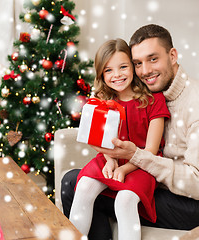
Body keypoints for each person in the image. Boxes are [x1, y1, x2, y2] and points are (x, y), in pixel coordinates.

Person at [61, 24, 199, 240]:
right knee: (78, 181)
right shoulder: (155, 92)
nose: (145, 71)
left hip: (193, 204)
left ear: (172, 55)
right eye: (138, 63)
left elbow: (197, 186)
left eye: (153, 59)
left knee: (75, 184)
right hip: (155, 181)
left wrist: (133, 159)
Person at [69, 38, 170, 240]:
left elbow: (150, 152)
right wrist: (110, 160)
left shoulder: (153, 100)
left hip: (142, 164)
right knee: (84, 187)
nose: (117, 75)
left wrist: (124, 168)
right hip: (111, 158)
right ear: (101, 74)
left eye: (123, 67)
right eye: (108, 70)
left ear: (133, 67)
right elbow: (99, 141)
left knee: (124, 201)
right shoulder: (102, 102)